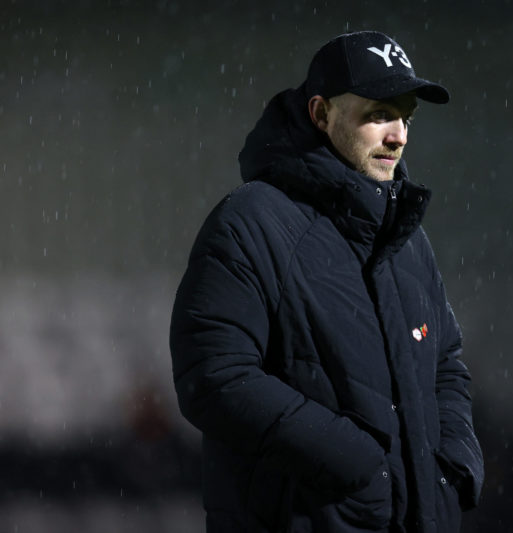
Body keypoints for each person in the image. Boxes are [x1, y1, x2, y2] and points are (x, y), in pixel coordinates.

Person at [169, 31, 483, 533]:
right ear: (321, 114)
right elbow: (215, 377)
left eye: (405, 116)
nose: (398, 134)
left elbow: (444, 363)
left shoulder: (405, 237)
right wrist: (362, 467)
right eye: (379, 113)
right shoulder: (250, 222)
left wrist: (455, 467)